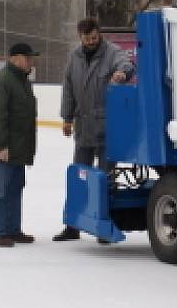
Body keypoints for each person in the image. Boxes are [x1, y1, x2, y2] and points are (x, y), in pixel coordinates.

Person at [53, 18, 134, 242]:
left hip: (107, 127)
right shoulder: (74, 57)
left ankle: (104, 227)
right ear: (81, 37)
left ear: (99, 34)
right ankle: (72, 226)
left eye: (95, 37)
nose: (91, 42)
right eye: (87, 38)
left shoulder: (112, 52)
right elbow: (68, 88)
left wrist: (122, 74)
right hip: (83, 127)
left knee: (106, 180)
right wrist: (67, 118)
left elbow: (126, 63)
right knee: (78, 177)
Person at [0, 43, 39, 247]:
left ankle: (13, 230)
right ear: (15, 58)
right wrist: (0, 147)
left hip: (19, 148)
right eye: (28, 58)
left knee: (15, 190)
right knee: (0, 191)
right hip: (5, 150)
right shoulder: (2, 81)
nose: (31, 62)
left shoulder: (23, 81)